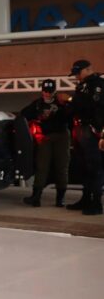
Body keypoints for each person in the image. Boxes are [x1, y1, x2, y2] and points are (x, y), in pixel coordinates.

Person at [20, 79, 71, 207]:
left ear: (54, 91)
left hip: (61, 136)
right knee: (42, 167)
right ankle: (36, 197)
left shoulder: (61, 103)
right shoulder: (37, 104)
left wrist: (67, 102)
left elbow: (71, 115)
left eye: (50, 91)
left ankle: (60, 199)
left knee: (62, 166)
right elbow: (23, 114)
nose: (47, 94)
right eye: (45, 91)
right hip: (45, 137)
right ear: (42, 91)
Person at [65, 60, 104, 215]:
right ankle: (86, 198)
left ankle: (96, 202)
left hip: (92, 130)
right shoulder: (83, 85)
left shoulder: (97, 84)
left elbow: (94, 106)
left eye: (78, 73)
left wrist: (69, 100)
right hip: (81, 129)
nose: (76, 77)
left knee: (94, 167)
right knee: (83, 166)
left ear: (88, 69)